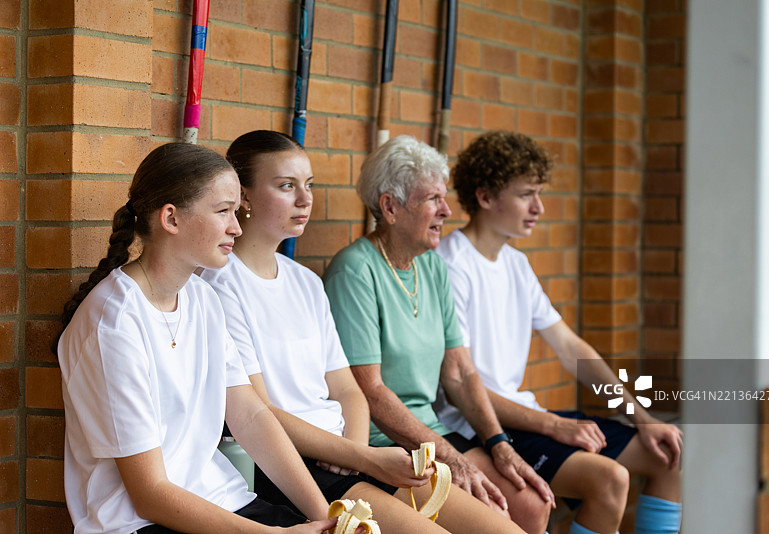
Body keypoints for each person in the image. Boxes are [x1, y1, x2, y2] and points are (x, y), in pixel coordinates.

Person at [201, 129, 529, 534]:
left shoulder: (305, 282)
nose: (305, 199)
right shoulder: (219, 285)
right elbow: (259, 412)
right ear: (244, 197)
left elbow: (347, 390)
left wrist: (357, 452)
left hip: (348, 452)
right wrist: (359, 458)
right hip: (289, 465)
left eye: (309, 185)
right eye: (287, 186)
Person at [55, 142, 337, 534]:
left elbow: (251, 415)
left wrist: (325, 516)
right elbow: (149, 493)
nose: (237, 227)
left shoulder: (201, 296)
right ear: (171, 218)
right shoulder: (113, 323)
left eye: (236, 212)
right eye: (223, 211)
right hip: (140, 523)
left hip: (223, 501)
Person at [435, 130, 683, 534]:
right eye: (526, 194)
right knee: (610, 479)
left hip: (530, 415)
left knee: (668, 454)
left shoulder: (516, 264)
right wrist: (553, 425)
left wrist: (642, 417)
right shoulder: (450, 266)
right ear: (485, 197)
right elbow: (457, 387)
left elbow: (570, 348)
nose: (539, 207)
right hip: (482, 427)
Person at [322, 135, 556, 534]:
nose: (447, 210)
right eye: (432, 199)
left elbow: (460, 372)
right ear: (390, 207)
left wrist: (498, 443)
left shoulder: (431, 266)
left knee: (532, 504)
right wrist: (450, 457)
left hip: (433, 434)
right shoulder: (355, 271)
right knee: (500, 527)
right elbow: (371, 391)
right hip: (387, 445)